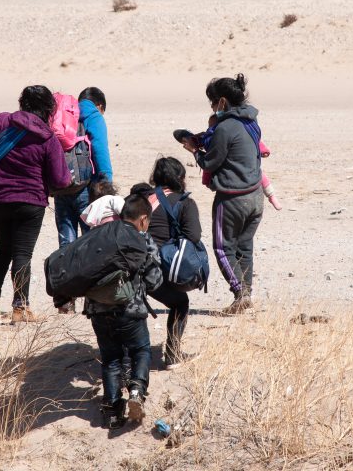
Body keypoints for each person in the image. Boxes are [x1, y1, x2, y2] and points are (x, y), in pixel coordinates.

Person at [0, 85, 72, 325]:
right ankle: (20, 308)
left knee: (2, 251)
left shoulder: (1, 122)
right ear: (49, 108)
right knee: (22, 254)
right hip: (31, 203)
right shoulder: (48, 138)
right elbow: (61, 179)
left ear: (21, 102)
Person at [180, 74, 263, 315]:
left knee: (222, 247)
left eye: (213, 103)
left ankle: (240, 293)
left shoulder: (225, 127)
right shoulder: (251, 121)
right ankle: (247, 292)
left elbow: (210, 162)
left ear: (222, 102)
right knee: (244, 246)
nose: (213, 108)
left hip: (232, 197)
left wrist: (194, 149)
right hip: (256, 195)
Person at [82, 194, 162, 429]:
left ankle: (112, 411)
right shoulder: (142, 238)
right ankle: (136, 390)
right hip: (130, 310)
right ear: (144, 219)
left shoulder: (97, 235)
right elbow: (155, 279)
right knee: (141, 350)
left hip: (97, 310)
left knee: (110, 359)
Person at [134, 157, 201, 368]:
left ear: (155, 178)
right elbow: (194, 235)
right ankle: (173, 354)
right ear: (180, 178)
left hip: (127, 263)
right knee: (180, 302)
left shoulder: (138, 199)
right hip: (154, 268)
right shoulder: (184, 202)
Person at [54, 86, 113, 313]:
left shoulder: (62, 116)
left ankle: (65, 301)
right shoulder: (93, 116)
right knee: (92, 245)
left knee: (66, 244)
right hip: (84, 189)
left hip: (61, 188)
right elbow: (99, 148)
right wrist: (106, 183)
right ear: (99, 105)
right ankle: (92, 298)